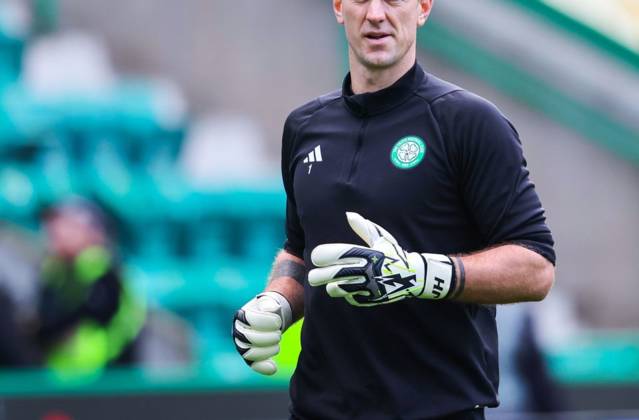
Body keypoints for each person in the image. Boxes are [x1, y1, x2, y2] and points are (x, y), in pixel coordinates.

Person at [232, 1, 556, 418]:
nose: (375, 14)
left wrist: (420, 274)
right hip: (317, 409)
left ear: (423, 7)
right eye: (361, 0)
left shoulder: (470, 122)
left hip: (436, 411)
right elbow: (300, 251)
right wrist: (277, 303)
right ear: (339, 7)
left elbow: (536, 267)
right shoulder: (304, 126)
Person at [35, 197, 146, 374]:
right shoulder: (54, 274)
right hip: (60, 378)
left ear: (92, 232)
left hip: (104, 379)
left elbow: (113, 327)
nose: (56, 231)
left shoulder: (106, 274)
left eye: (67, 225)